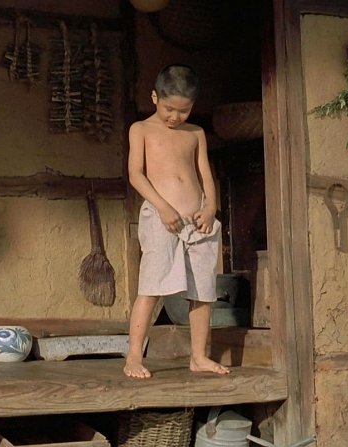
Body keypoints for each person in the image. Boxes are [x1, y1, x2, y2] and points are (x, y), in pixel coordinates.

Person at [124, 64, 230, 379]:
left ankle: (198, 356)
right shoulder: (141, 129)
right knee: (151, 286)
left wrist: (210, 207)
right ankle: (133, 356)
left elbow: (205, 174)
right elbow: (136, 175)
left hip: (197, 221)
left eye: (183, 111)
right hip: (162, 218)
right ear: (155, 97)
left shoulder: (195, 133)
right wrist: (163, 207)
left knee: (203, 290)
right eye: (169, 109)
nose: (175, 117)